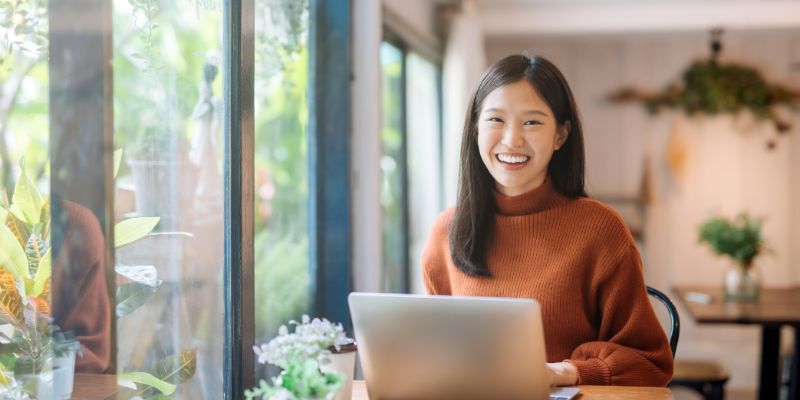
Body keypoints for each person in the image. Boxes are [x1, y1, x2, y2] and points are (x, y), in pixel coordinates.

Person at [421, 54, 673, 387]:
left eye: (532, 122)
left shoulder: (600, 230)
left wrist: (565, 372)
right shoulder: (446, 231)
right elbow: (432, 349)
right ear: (475, 129)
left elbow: (651, 363)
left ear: (561, 135)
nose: (512, 140)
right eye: (496, 120)